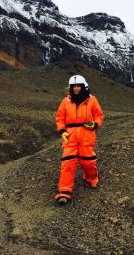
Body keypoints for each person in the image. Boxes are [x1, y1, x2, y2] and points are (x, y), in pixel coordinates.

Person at [54, 75, 104, 205]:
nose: (76, 88)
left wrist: (95, 124)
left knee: (87, 161)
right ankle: (64, 191)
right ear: (71, 87)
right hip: (70, 136)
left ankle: (91, 178)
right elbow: (60, 118)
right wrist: (62, 131)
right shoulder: (66, 101)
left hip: (86, 134)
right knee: (67, 163)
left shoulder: (91, 100)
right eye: (74, 86)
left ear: (83, 86)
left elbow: (99, 116)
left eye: (78, 86)